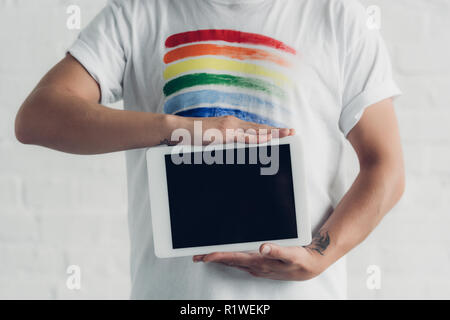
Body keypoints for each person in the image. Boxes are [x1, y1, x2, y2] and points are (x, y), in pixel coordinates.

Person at [15, 0, 405, 299]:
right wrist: (181, 129)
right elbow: (38, 117)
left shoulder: (336, 16)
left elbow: (384, 165)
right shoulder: (138, 12)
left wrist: (319, 255)